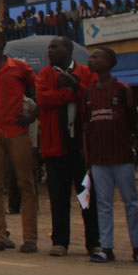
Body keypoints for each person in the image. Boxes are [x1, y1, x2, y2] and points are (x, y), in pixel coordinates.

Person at [0, 30, 39, 253]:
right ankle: (0, 236)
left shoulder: (20, 68)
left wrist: (32, 115)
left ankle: (30, 238)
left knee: (25, 183)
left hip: (16, 131)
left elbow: (39, 88)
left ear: (0, 44)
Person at [37, 35, 99, 258]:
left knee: (87, 198)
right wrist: (72, 91)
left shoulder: (84, 72)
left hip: (81, 148)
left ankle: (94, 242)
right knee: (58, 197)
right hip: (56, 147)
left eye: (54, 47)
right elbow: (45, 100)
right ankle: (60, 241)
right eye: (49, 48)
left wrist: (75, 84)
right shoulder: (45, 74)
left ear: (67, 50)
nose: (50, 51)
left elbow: (92, 95)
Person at [82, 47, 138, 264]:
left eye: (95, 57)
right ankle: (106, 248)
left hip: (121, 156)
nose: (91, 60)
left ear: (108, 62)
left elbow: (132, 120)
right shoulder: (89, 93)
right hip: (99, 157)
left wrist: (130, 145)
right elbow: (86, 125)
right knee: (103, 204)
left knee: (131, 202)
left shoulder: (122, 89)